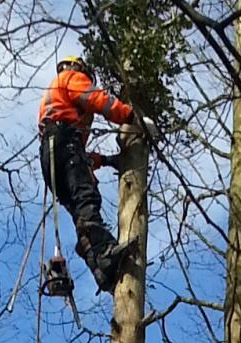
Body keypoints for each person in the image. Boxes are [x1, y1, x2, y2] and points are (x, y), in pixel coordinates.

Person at [38, 55, 155, 294]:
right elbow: (97, 99)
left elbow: (80, 160)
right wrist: (133, 119)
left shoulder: (56, 106)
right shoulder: (71, 78)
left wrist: (109, 160)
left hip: (51, 159)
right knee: (86, 200)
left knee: (80, 213)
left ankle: (102, 272)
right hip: (64, 147)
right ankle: (104, 255)